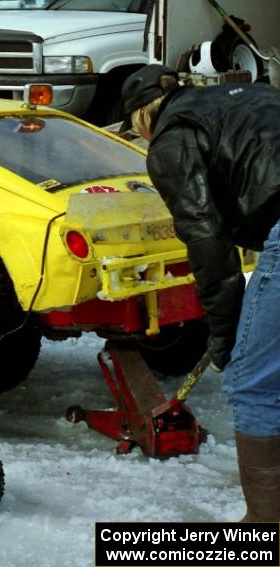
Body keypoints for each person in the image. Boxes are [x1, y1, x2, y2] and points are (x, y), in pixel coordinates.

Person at [121, 65, 280, 521]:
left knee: (254, 382)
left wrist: (226, 334)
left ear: (142, 118)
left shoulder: (173, 136)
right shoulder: (251, 96)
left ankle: (266, 530)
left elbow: (207, 242)